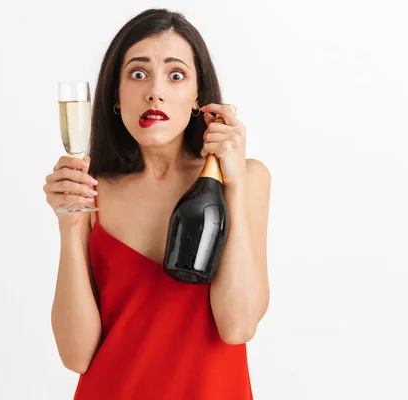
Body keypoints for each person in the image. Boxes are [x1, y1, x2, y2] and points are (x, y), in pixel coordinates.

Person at [43, 8, 271, 400]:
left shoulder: (246, 179)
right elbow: (76, 355)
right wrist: (70, 223)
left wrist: (232, 185)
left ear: (198, 96)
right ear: (115, 95)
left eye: (176, 74)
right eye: (137, 73)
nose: (155, 91)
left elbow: (238, 326)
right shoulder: (91, 190)